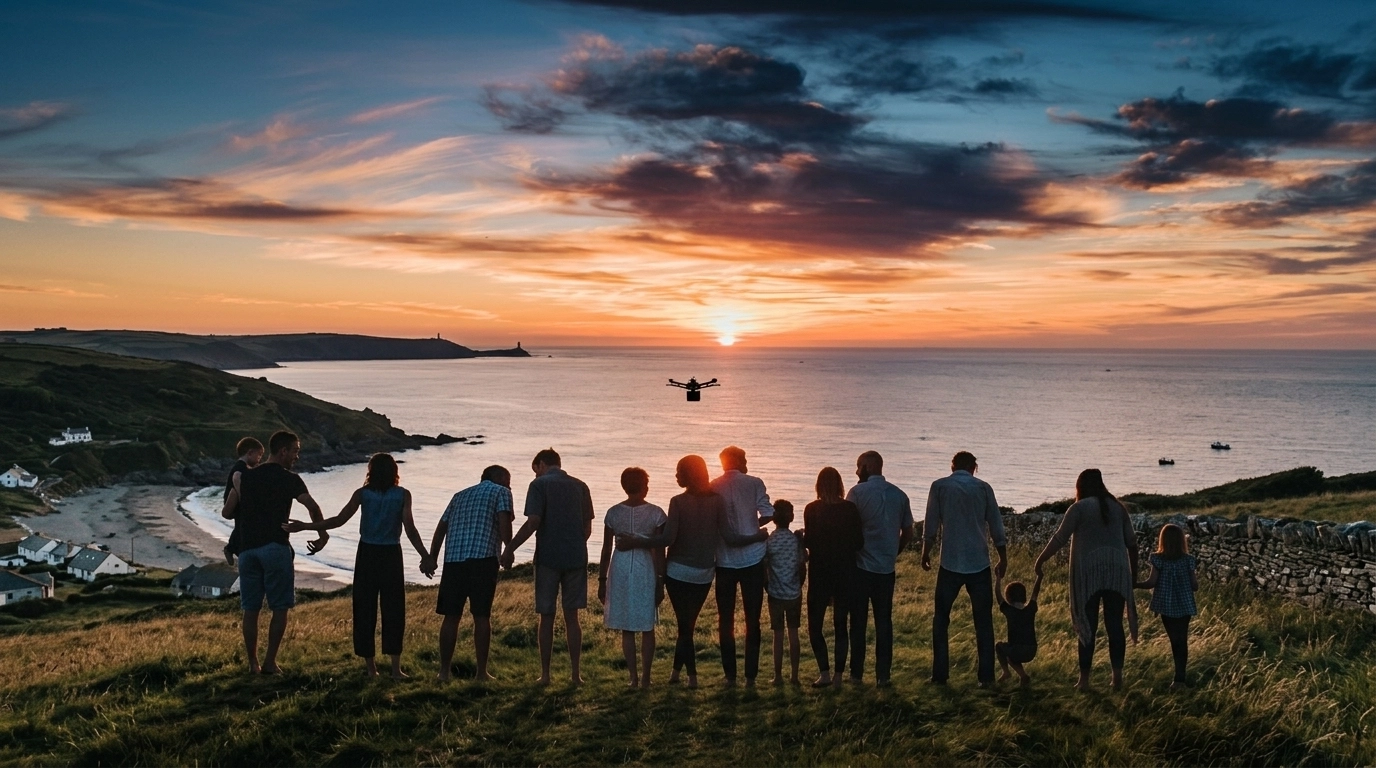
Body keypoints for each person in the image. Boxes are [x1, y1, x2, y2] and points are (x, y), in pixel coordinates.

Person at [284, 453, 428, 679]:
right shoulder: (403, 495)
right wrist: (425, 556)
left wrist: (307, 526)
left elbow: (338, 520)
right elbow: (410, 529)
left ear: (371, 471)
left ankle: (372, 669)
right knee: (394, 609)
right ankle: (395, 669)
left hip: (367, 554)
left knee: (364, 609)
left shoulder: (362, 494)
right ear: (394, 471)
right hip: (391, 554)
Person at [220, 430, 327, 675]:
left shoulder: (244, 477)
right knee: (279, 608)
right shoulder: (290, 479)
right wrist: (321, 534)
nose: (297, 456)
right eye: (296, 451)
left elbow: (228, 511)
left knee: (251, 609)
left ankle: (252, 664)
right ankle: (269, 663)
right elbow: (311, 505)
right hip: (275, 547)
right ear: (283, 451)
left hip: (247, 550)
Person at [615, 454, 724, 689]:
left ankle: (692, 677)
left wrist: (636, 539)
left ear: (687, 475)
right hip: (705, 571)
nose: (675, 476)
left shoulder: (678, 501)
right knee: (688, 624)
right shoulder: (718, 500)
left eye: (678, 472)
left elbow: (666, 539)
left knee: (685, 626)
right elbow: (726, 534)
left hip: (678, 572)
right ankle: (676, 672)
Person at [1034, 468, 1139, 691]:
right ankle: (1117, 678)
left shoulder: (1078, 508)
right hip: (1116, 573)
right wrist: (1133, 576)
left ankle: (1084, 680)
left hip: (1088, 575)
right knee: (1115, 627)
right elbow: (1132, 543)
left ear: (1080, 486)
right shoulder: (1118, 508)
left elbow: (1060, 538)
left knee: (1086, 625)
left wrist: (1040, 560)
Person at [503, 448, 595, 686]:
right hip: (576, 557)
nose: (535, 476)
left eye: (535, 471)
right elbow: (587, 529)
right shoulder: (581, 485)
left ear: (541, 464)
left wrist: (510, 547)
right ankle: (576, 675)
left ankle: (546, 675)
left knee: (547, 616)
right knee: (572, 617)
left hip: (547, 558)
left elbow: (533, 521)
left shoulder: (539, 486)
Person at [922, 450, 1008, 687]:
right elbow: (996, 525)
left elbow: (931, 523)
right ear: (974, 467)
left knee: (941, 619)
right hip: (979, 562)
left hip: (949, 561)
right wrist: (1002, 556)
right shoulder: (983, 488)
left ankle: (940, 675)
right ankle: (986, 678)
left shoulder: (939, 487)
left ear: (952, 466)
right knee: (983, 622)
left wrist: (925, 551)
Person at [422, 465, 514, 682]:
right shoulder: (502, 492)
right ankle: (481, 673)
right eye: (508, 480)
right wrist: (508, 549)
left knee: (450, 617)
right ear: (499, 478)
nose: (510, 485)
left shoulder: (459, 495)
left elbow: (441, 527)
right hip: (482, 559)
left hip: (454, 560)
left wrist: (432, 557)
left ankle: (443, 672)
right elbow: (503, 522)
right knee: (481, 616)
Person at [847, 451, 914, 686]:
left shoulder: (856, 493)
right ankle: (883, 676)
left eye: (858, 466)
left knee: (858, 622)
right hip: (886, 568)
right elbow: (908, 531)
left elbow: (849, 527)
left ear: (868, 466)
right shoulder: (900, 495)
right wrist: (894, 551)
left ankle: (856, 674)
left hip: (861, 566)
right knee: (884, 622)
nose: (856, 472)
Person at [597, 467, 666, 689]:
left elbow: (606, 550)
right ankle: (646, 678)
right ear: (645, 486)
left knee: (627, 627)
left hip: (620, 567)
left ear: (624, 486)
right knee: (647, 626)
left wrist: (602, 579)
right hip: (646, 567)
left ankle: (633, 678)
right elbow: (659, 550)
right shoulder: (656, 513)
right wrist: (661, 580)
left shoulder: (613, 513)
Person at [710, 445, 773, 687]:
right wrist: (753, 525)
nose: (747, 461)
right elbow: (768, 512)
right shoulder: (755, 482)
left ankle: (730, 676)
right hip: (752, 559)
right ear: (738, 460)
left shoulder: (714, 486)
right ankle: (750, 677)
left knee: (725, 619)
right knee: (752, 619)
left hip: (724, 561)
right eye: (745, 458)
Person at [803, 466, 863, 687]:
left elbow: (809, 542)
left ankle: (824, 673)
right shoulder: (850, 509)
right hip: (846, 572)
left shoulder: (811, 509)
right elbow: (859, 542)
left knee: (815, 625)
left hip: (820, 573)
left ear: (818, 486)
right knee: (841, 625)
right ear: (840, 485)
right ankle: (839, 676)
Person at [1136, 523, 1198, 689]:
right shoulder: (1189, 560)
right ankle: (1180, 679)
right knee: (1182, 640)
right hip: (1184, 605)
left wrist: (1134, 584)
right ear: (1181, 541)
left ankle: (1176, 681)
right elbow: (1195, 586)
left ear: (1162, 540)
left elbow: (1151, 582)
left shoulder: (1157, 559)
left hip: (1166, 605)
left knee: (1174, 640)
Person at [764, 499, 805, 686]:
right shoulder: (796, 541)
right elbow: (803, 563)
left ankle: (778, 676)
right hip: (794, 594)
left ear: (773, 518)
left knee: (778, 636)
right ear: (792, 517)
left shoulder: (769, 542)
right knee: (794, 634)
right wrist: (799, 584)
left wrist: (768, 587)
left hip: (775, 594)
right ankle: (794, 676)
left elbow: (764, 566)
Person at [995, 571, 1042, 686]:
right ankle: (1023, 677)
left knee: (1000, 647)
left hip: (1017, 650)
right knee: (1012, 655)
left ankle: (1007, 672)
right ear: (1024, 596)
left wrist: (998, 578)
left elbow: (998, 595)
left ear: (1009, 598)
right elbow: (1036, 592)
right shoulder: (1031, 608)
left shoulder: (1009, 611)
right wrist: (1039, 577)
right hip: (1031, 650)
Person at [223, 436, 264, 565]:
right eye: (259, 455)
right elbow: (239, 483)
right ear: (250, 453)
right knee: (242, 524)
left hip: (233, 500)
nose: (260, 459)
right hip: (236, 500)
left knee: (240, 524)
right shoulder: (241, 469)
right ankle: (231, 548)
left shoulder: (238, 467)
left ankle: (231, 547)